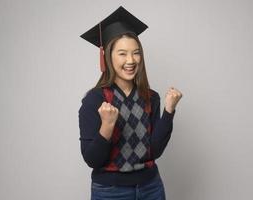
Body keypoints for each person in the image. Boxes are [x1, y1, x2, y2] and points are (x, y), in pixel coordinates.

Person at [78, 6, 183, 200]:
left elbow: (154, 151)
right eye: (122, 53)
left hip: (151, 188)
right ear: (108, 56)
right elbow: (92, 160)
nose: (131, 60)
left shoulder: (151, 97)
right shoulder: (94, 100)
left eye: (136, 53)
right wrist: (107, 126)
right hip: (110, 192)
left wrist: (169, 111)